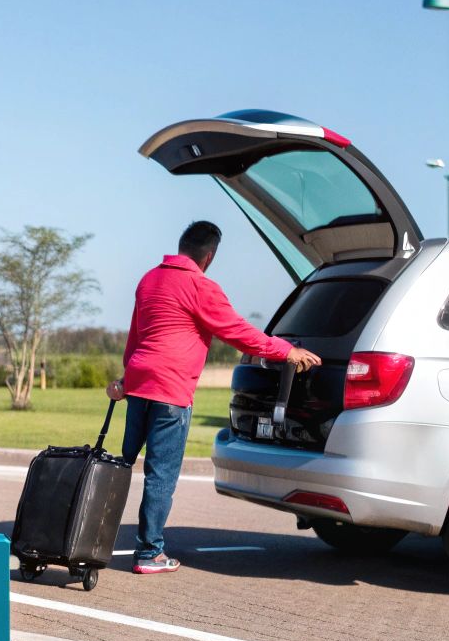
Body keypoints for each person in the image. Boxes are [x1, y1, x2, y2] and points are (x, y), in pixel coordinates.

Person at [106, 221, 320, 575]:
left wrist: (126, 378)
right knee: (161, 474)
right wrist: (287, 351)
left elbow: (136, 335)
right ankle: (149, 553)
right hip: (171, 389)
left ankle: (95, 532)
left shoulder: (149, 279)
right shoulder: (200, 285)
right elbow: (238, 332)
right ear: (210, 256)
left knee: (124, 462)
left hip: (139, 382)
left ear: (181, 245)